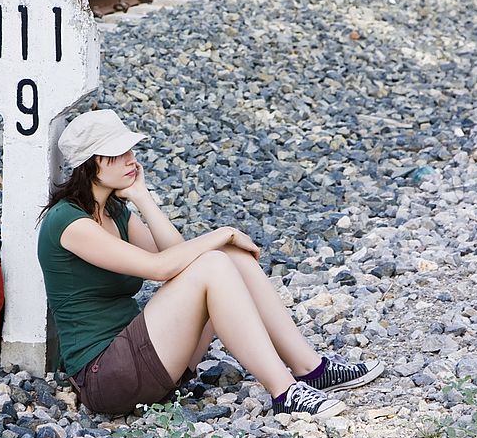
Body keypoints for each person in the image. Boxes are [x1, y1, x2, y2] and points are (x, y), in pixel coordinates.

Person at [36, 108, 384, 420]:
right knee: (215, 261)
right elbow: (161, 269)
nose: (131, 159)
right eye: (118, 154)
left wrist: (142, 197)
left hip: (145, 359)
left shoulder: (114, 210)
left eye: (130, 149)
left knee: (227, 258)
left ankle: (310, 368)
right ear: (90, 163)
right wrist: (224, 232)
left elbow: (178, 254)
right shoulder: (68, 223)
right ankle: (283, 391)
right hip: (106, 377)